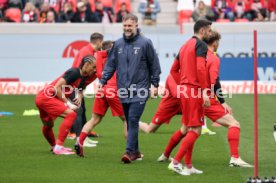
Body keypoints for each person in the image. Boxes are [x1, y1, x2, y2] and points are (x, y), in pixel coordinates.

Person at [159, 30, 253, 174]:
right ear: (215, 42)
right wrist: (222, 101)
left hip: (188, 94)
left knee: (186, 129)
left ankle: (171, 157)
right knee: (234, 124)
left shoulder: (193, 53)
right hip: (205, 98)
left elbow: (176, 71)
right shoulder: (213, 58)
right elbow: (214, 82)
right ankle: (235, 158)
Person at [99, 14, 161, 163]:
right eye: (125, 26)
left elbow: (154, 65)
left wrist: (155, 84)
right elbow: (111, 64)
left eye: (130, 26)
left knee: (133, 119)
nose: (127, 28)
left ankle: (129, 153)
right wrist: (103, 80)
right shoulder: (118, 44)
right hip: (123, 89)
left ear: (136, 26)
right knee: (129, 120)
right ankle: (137, 152)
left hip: (140, 89)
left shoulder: (145, 43)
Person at [167, 19, 212, 175]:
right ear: (202, 30)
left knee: (190, 128)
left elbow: (173, 70)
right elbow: (200, 68)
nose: (210, 33)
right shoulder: (201, 45)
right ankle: (176, 162)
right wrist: (205, 91)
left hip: (186, 91)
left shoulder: (185, 45)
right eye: (208, 30)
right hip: (194, 91)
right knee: (197, 129)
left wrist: (182, 85)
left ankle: (188, 165)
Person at [74, 40, 128, 157]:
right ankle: (131, 150)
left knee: (94, 119)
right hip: (113, 90)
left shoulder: (98, 58)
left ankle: (80, 140)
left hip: (101, 90)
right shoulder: (117, 59)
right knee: (126, 120)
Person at [35, 55, 97, 155]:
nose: (94, 70)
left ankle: (54, 146)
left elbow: (80, 89)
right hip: (47, 98)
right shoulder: (74, 72)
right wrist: (67, 103)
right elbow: (57, 88)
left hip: (42, 98)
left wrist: (79, 99)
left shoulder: (82, 77)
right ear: (86, 65)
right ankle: (59, 147)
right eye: (93, 67)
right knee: (71, 115)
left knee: (48, 124)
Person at [70, 32, 104, 147]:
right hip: (74, 85)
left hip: (77, 85)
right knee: (78, 111)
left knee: (82, 110)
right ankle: (79, 139)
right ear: (99, 42)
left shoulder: (88, 51)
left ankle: (84, 137)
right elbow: (82, 72)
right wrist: (79, 89)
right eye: (101, 42)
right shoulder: (87, 52)